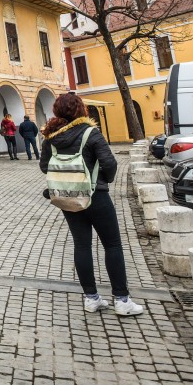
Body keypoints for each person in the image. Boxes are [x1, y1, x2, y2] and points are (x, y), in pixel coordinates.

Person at [40, 93, 143, 317]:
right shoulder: (90, 132)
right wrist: (101, 180)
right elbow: (110, 163)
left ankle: (91, 298)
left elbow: (44, 167)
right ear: (81, 110)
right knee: (112, 245)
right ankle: (122, 300)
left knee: (82, 245)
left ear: (57, 111)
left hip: (68, 197)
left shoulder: (50, 138)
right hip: (96, 196)